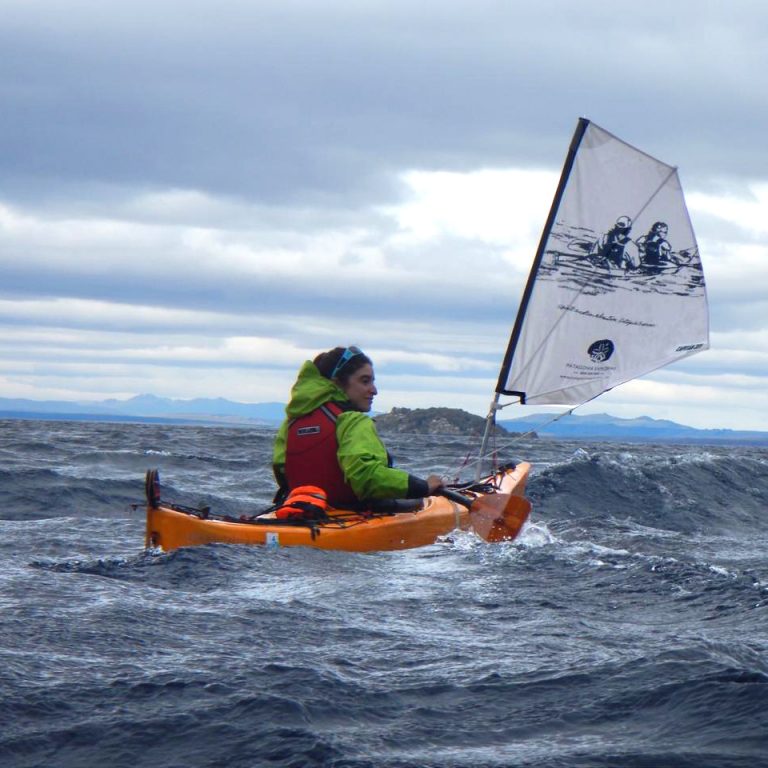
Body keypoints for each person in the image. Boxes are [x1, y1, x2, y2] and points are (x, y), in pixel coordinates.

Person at [272, 346, 444, 508]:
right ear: (338, 383)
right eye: (365, 381)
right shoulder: (353, 421)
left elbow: (282, 471)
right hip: (353, 515)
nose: (374, 390)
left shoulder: (291, 424)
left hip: (303, 513)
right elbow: (367, 477)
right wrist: (423, 486)